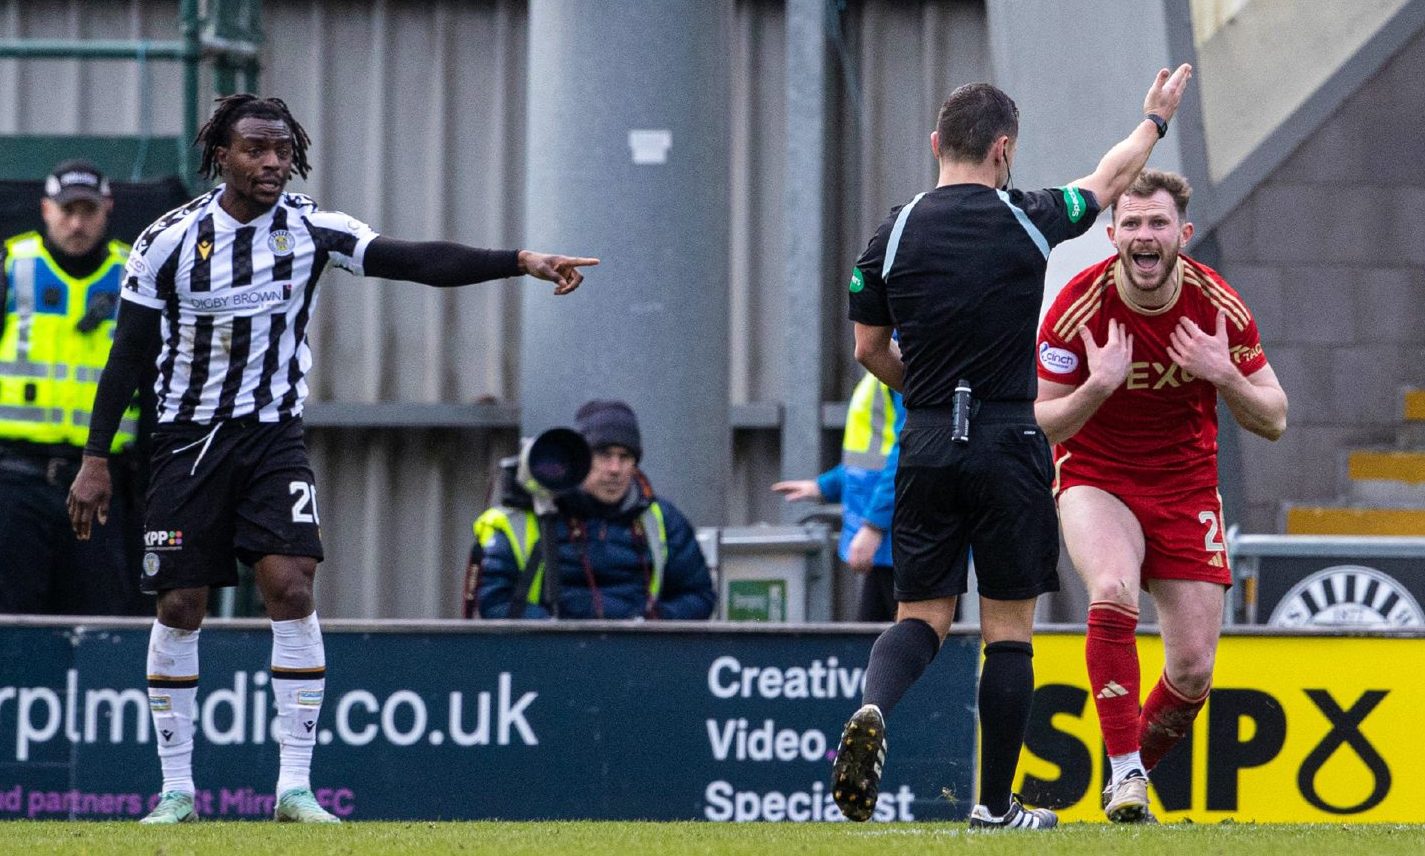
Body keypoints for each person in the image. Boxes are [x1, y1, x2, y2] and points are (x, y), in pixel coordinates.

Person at [64, 94, 598, 825]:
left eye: (283, 150)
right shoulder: (168, 240)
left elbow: (413, 259)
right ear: (221, 154)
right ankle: (178, 790)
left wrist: (519, 261)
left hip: (271, 437)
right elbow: (127, 355)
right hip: (185, 440)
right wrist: (97, 458)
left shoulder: (312, 227)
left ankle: (293, 788)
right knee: (181, 605)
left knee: (291, 585)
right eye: (257, 149)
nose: (274, 163)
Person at [830, 64, 1194, 830]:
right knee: (1007, 633)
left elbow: (868, 350)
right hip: (1007, 435)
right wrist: (1153, 121)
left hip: (927, 437)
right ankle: (994, 808)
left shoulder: (888, 234)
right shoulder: (1030, 215)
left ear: (936, 144)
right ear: (1003, 150)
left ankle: (871, 705)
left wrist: (925, 392)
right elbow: (1110, 177)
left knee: (919, 615)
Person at [1034, 168, 1287, 823]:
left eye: (1157, 224)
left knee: (1194, 669)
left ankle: (1126, 779)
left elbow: (1275, 418)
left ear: (1182, 234)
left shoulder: (1216, 307)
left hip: (1185, 486)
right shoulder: (1075, 308)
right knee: (1112, 588)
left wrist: (1221, 371)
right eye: (1132, 224)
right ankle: (1124, 777)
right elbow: (1042, 420)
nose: (1144, 236)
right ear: (1111, 233)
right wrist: (1096, 385)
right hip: (1096, 475)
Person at [0, 159, 149, 616]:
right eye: (67, 210)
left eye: (88, 210)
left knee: (98, 614)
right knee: (12, 615)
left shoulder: (135, 274)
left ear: (108, 209)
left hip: (101, 482)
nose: (77, 222)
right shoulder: (13, 266)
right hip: (15, 476)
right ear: (45, 209)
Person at [471, 399, 716, 620]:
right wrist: (553, 630)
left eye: (625, 456)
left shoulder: (662, 520)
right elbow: (494, 601)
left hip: (638, 657)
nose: (615, 468)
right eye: (604, 455)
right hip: (550, 659)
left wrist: (651, 621)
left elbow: (699, 597)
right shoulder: (532, 517)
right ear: (580, 458)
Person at [772, 368, 903, 622]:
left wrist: (874, 526)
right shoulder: (886, 359)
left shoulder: (901, 355)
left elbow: (908, 453)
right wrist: (825, 486)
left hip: (897, 535)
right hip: (889, 536)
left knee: (907, 641)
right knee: (878, 642)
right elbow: (871, 458)